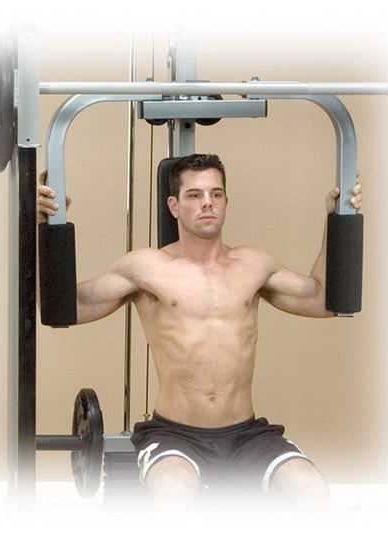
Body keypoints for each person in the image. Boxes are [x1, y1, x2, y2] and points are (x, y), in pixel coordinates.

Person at [37, 154, 363, 505]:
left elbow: (323, 300)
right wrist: (45, 223)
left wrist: (337, 218)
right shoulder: (146, 268)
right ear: (174, 206)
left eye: (216, 194)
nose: (207, 202)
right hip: (173, 435)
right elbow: (62, 307)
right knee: (175, 489)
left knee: (310, 488)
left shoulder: (254, 264)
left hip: (246, 435)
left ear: (226, 202)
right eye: (194, 195)